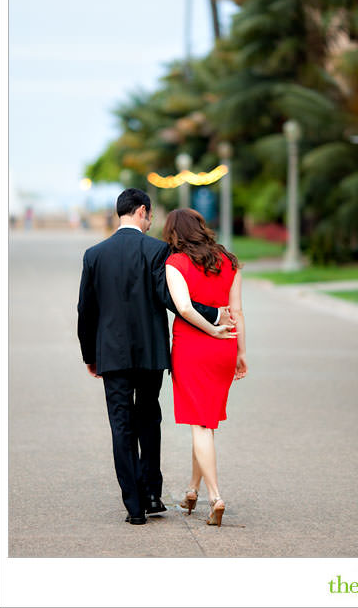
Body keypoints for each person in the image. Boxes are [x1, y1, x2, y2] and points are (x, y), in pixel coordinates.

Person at [77, 189, 235, 525]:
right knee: (149, 419)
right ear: (142, 212)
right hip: (150, 353)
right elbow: (171, 299)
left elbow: (85, 311)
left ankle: (134, 507)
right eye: (149, 217)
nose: (151, 223)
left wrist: (90, 354)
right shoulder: (156, 250)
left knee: (121, 426)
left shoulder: (94, 254)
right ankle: (152, 496)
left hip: (112, 356)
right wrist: (215, 315)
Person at [163, 208, 247, 527]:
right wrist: (240, 351)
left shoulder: (175, 263)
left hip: (191, 347)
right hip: (225, 347)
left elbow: (183, 307)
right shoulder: (229, 261)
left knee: (199, 424)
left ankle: (215, 496)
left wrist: (210, 328)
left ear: (174, 233)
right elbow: (237, 311)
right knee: (206, 423)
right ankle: (192, 490)